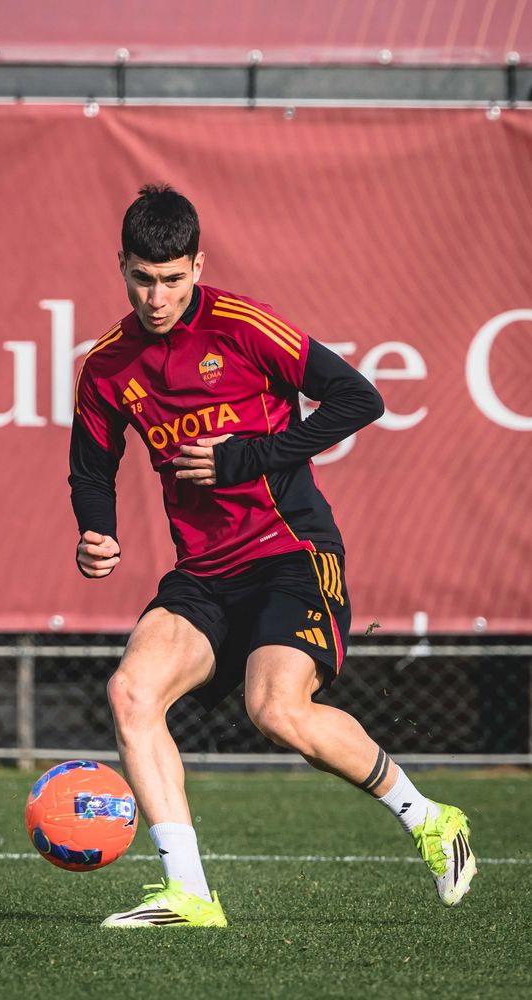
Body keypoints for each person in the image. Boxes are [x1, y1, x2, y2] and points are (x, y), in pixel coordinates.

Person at [69, 184, 476, 928]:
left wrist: (246, 458)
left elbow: (358, 399)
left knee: (275, 709)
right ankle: (190, 894)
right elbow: (92, 469)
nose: (156, 296)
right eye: (141, 278)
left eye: (171, 278)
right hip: (203, 571)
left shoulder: (244, 327)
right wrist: (95, 530)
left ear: (197, 265)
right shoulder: (105, 366)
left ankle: (430, 819)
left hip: (292, 551)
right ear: (121, 265)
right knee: (131, 693)